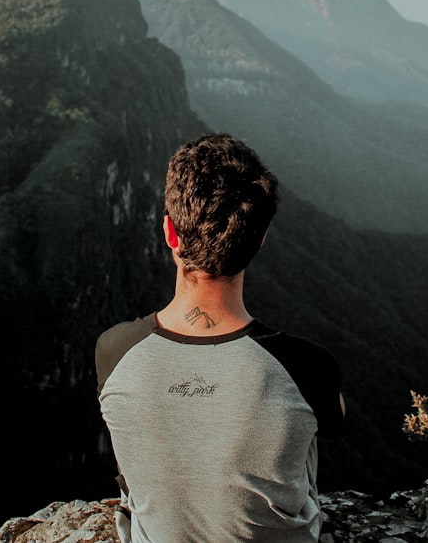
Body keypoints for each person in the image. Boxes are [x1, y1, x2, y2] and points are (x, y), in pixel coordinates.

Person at [96, 132, 346, 542]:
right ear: (260, 238)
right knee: (303, 426)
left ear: (170, 233)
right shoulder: (308, 366)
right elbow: (335, 422)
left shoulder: (114, 351)